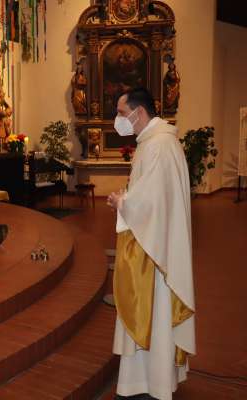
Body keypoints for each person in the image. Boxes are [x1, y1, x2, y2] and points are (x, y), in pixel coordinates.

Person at [107, 88, 195, 400]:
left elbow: (151, 202)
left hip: (156, 252)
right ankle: (152, 379)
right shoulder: (157, 142)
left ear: (138, 113)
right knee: (153, 314)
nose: (118, 120)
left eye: (120, 113)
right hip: (156, 241)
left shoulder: (158, 145)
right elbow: (153, 194)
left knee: (153, 312)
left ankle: (149, 383)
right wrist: (129, 199)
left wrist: (123, 203)